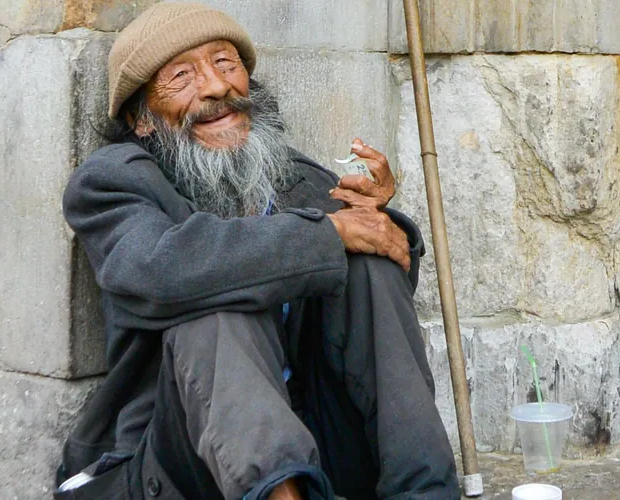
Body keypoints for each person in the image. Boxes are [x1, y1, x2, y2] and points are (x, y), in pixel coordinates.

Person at [54, 3, 460, 499]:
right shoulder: (113, 180)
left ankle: (425, 490)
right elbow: (155, 268)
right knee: (217, 301)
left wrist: (382, 226)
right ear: (142, 118)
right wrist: (331, 234)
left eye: (226, 64)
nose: (216, 87)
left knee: (369, 267)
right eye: (182, 76)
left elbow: (380, 283)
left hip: (319, 448)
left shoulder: (294, 175)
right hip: (181, 463)